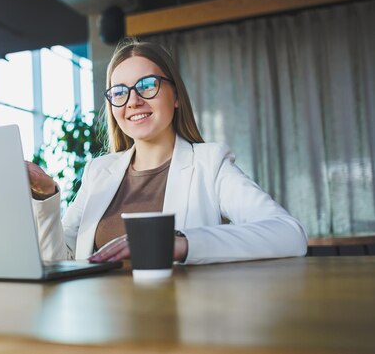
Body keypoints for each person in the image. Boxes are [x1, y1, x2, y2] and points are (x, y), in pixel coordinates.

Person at [26, 39, 308, 264]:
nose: (133, 101)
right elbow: (59, 261)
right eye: (120, 92)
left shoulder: (209, 164)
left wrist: (180, 243)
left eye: (147, 85)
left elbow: (289, 233)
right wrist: (46, 195)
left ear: (175, 96)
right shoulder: (98, 172)